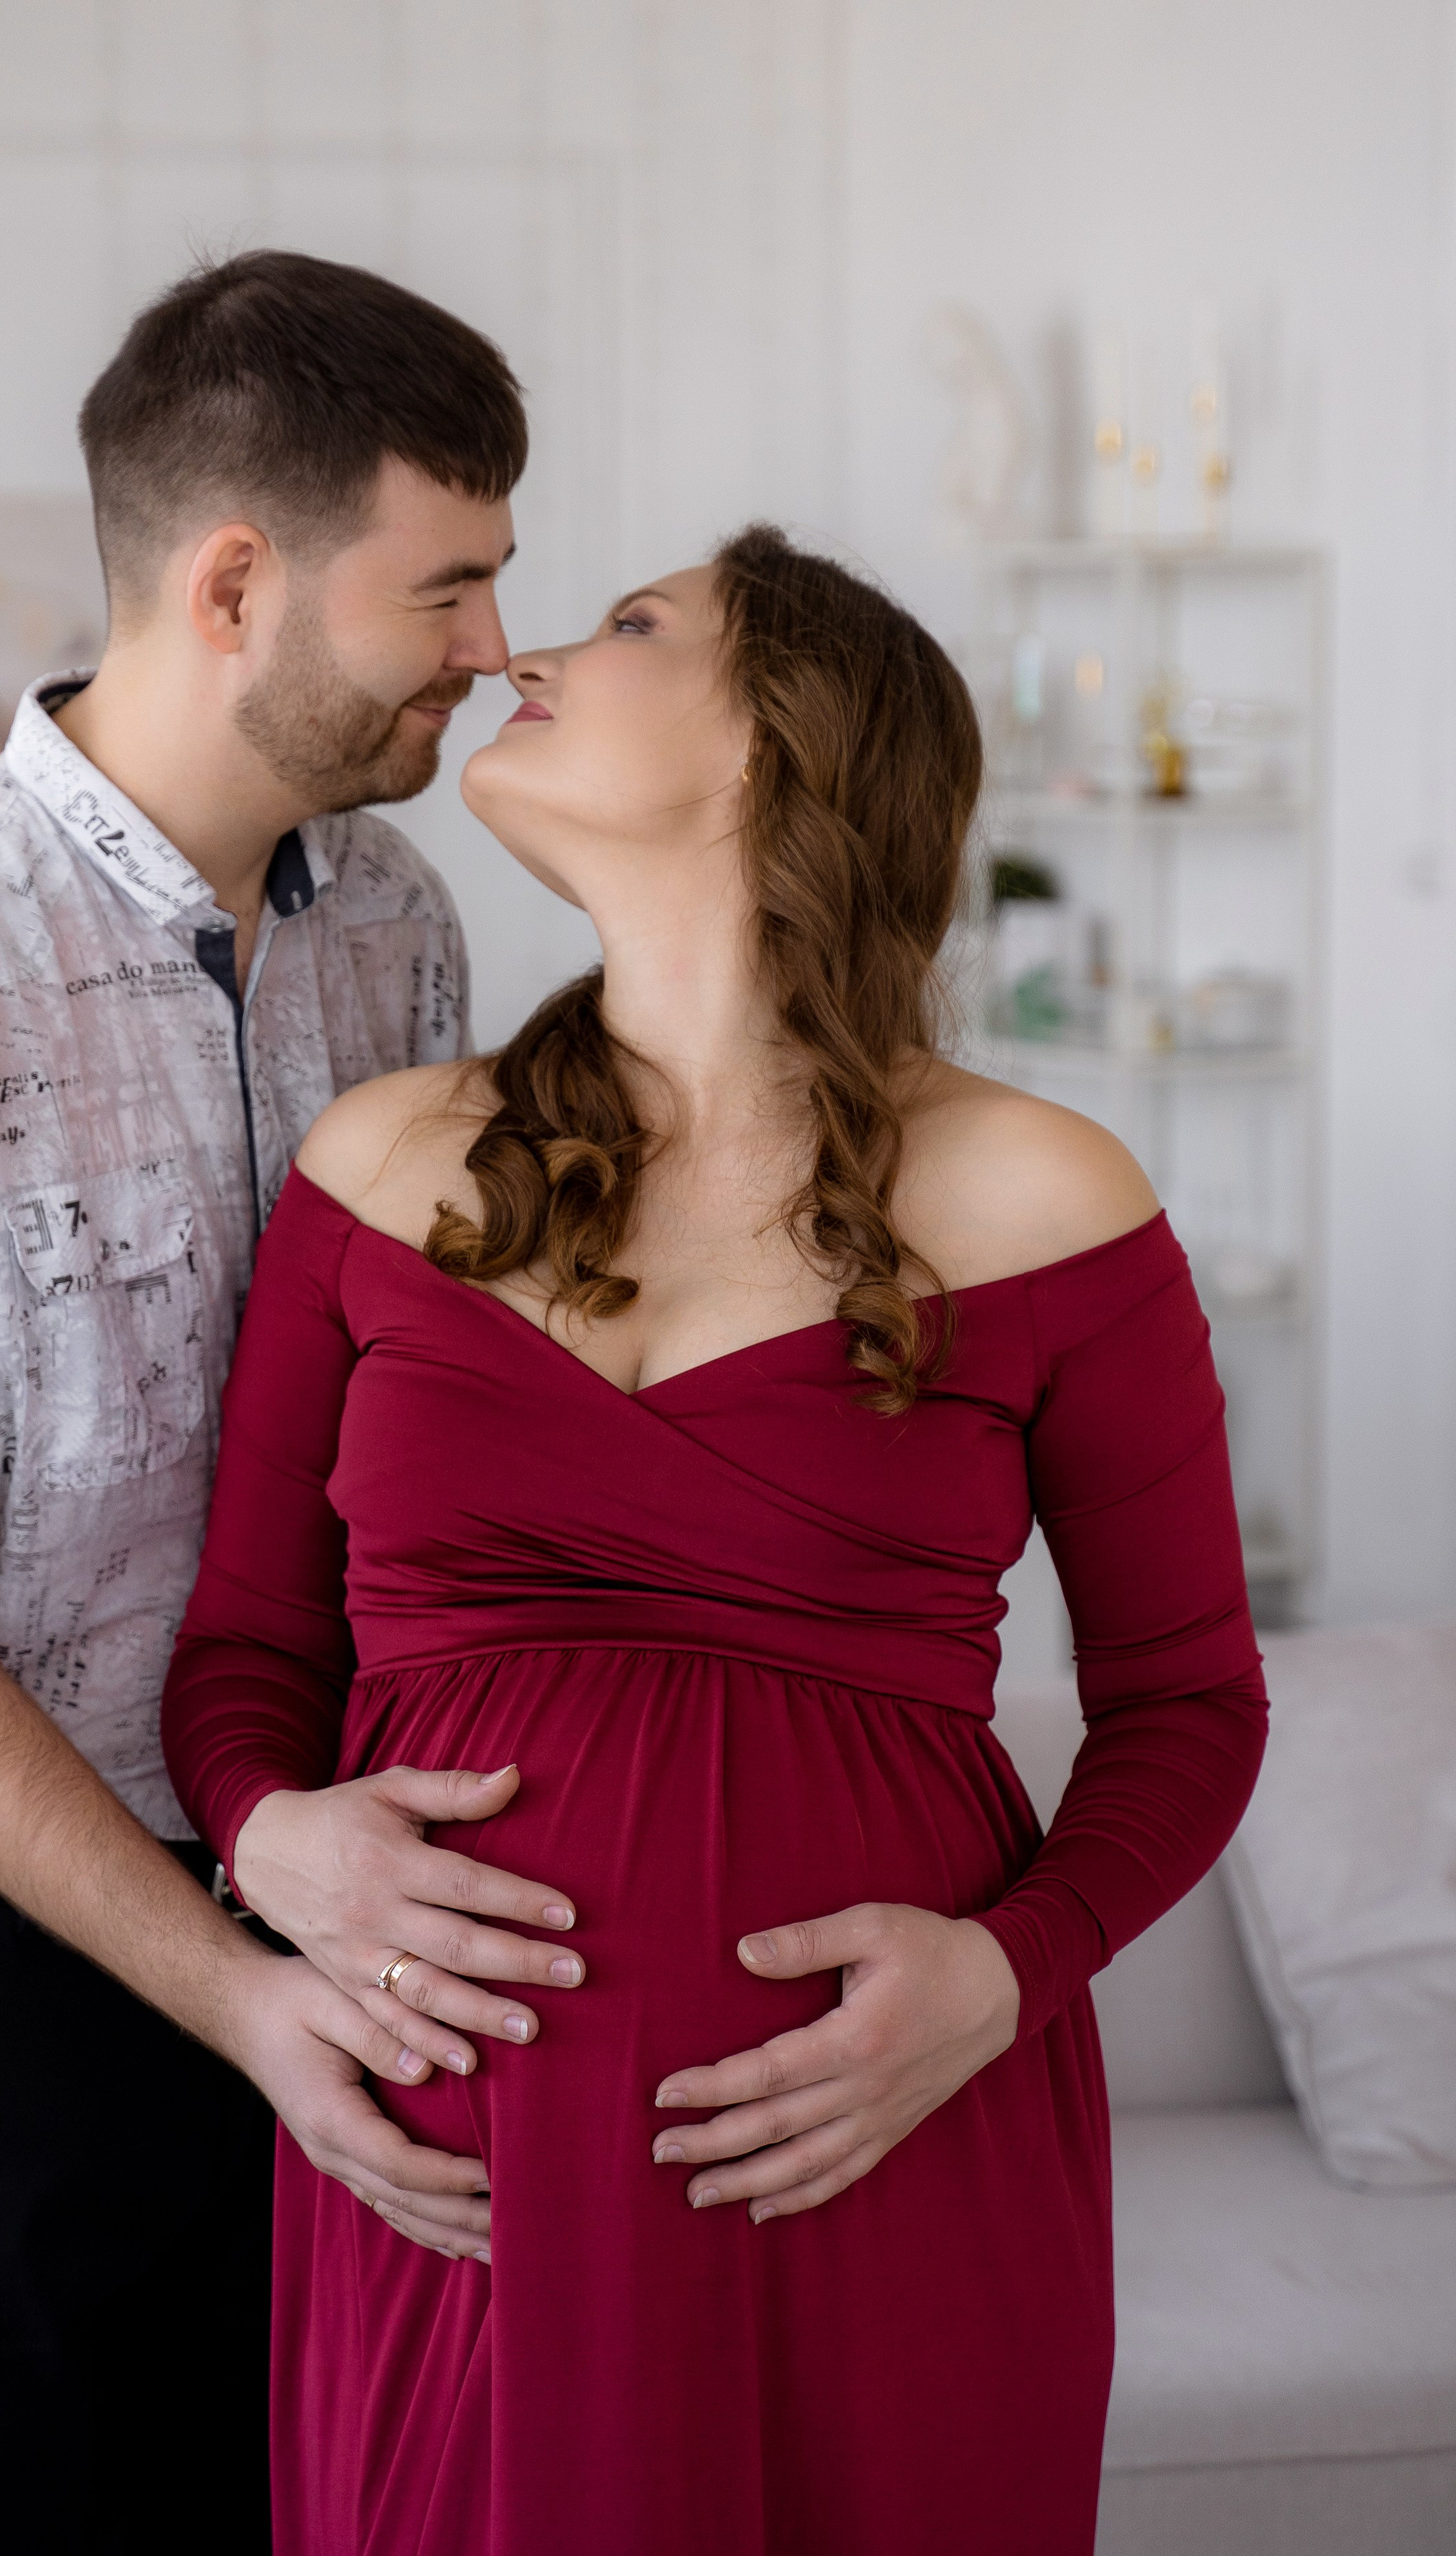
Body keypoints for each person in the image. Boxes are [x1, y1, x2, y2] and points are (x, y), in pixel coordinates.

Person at [161, 526, 1270, 2556]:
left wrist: (1009, 1977)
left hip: (872, 2141)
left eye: (633, 621)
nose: (524, 654)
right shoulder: (384, 1159)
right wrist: (267, 1840)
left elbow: (1192, 1702)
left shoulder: (1045, 1189)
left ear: (785, 744)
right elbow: (247, 1644)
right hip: (455, 2149)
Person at [0, 249, 538, 2555]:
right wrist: (233, 1993)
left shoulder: (401, 925)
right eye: (446, 583)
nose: (490, 647)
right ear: (237, 581)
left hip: (283, 1916)